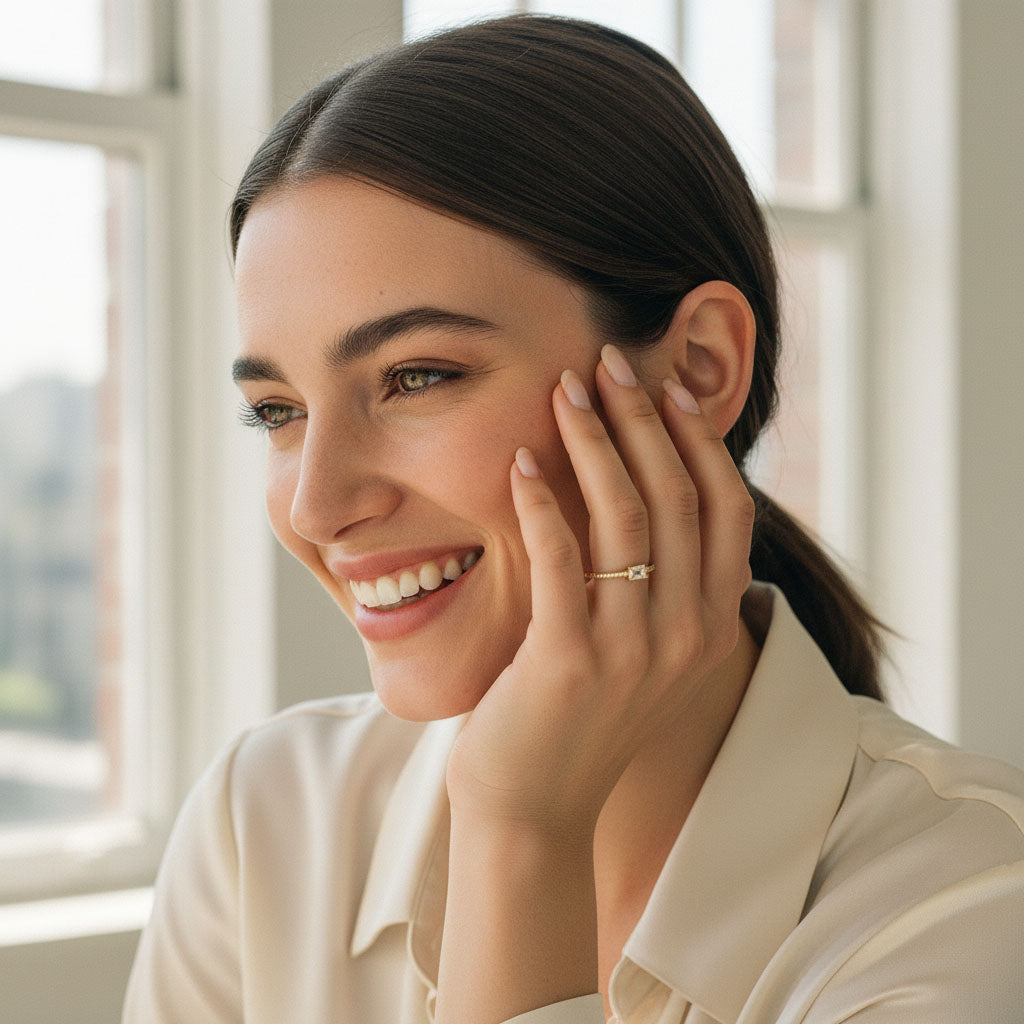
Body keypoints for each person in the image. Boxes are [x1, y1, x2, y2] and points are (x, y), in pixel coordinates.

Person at [122, 14, 1024, 1024]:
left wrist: (522, 832)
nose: (318, 503)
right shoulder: (267, 823)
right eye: (278, 412)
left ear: (698, 367)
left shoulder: (972, 906)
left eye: (418, 376)